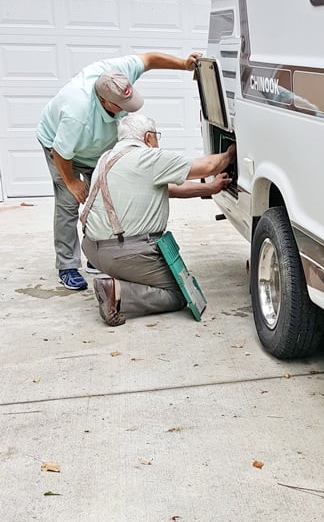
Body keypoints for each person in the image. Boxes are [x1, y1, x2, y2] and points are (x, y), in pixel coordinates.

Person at [37, 51, 202, 291]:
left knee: (107, 196)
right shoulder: (77, 113)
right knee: (69, 202)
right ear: (104, 101)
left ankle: (98, 254)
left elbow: (148, 59)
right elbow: (61, 153)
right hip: (60, 149)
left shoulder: (116, 75)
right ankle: (67, 265)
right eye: (122, 106)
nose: (128, 108)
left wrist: (184, 65)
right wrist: (72, 181)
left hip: (96, 149)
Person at [80, 113, 235, 327]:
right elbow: (208, 166)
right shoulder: (148, 158)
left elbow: (166, 189)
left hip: (92, 249)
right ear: (149, 137)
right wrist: (231, 153)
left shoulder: (108, 157)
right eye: (157, 136)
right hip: (124, 253)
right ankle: (116, 291)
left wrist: (208, 188)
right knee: (178, 293)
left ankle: (122, 281)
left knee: (145, 272)